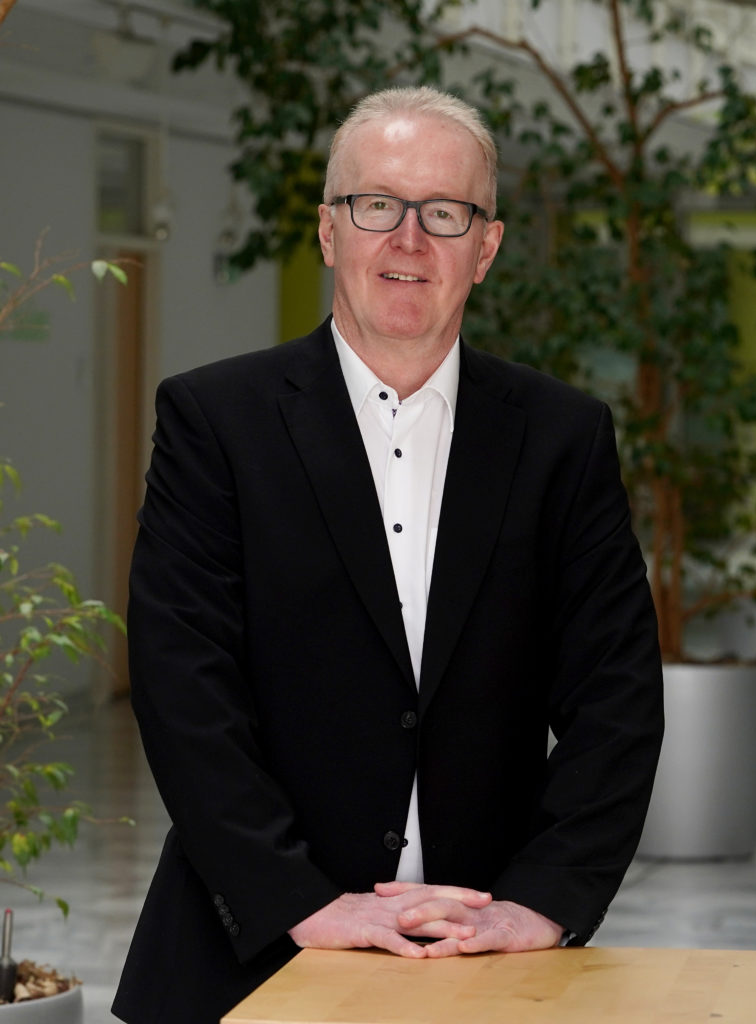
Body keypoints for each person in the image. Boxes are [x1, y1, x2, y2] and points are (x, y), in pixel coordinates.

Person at [113, 86, 663, 1024]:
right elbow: (183, 685)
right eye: (377, 205)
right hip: (248, 954)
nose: (409, 239)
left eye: (445, 213)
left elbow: (617, 695)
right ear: (330, 230)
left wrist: (546, 900)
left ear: (485, 247)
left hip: (488, 956)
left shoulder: (563, 438)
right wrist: (300, 899)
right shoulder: (215, 422)